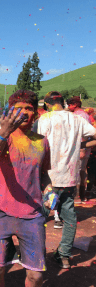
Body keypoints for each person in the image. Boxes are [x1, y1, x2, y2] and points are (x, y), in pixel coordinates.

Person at [0, 89, 51, 287]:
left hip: (32, 215)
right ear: (10, 112)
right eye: (18, 108)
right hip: (1, 212)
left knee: (36, 276)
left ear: (35, 113)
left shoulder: (42, 142)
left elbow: (44, 175)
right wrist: (4, 132)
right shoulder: (2, 136)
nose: (23, 112)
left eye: (28, 108)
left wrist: (50, 191)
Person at [37, 91, 96, 269]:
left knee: (40, 217)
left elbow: (39, 145)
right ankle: (64, 255)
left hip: (49, 179)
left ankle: (36, 253)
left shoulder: (44, 119)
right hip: (69, 178)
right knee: (69, 218)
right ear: (63, 102)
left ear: (47, 104)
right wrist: (81, 145)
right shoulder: (77, 119)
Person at [67, 96, 93, 202]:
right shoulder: (82, 115)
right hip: (81, 148)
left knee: (77, 171)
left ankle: (78, 196)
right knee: (80, 171)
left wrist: (82, 150)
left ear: (75, 105)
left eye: (69, 105)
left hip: (80, 148)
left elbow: (83, 133)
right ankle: (81, 195)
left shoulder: (80, 116)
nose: (68, 107)